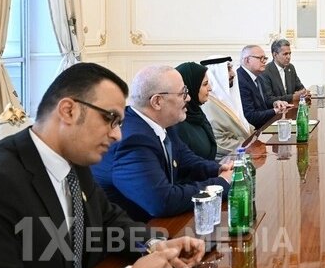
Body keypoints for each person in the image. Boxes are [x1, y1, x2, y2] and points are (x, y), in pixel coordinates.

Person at [0, 62, 206, 268]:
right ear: (69, 111)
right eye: (110, 119)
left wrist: (156, 244)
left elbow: (109, 220)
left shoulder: (75, 159)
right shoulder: (0, 181)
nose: (117, 135)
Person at [92, 65, 233, 222]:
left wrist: (218, 169)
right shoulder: (133, 141)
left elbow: (187, 160)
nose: (188, 98)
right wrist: (220, 184)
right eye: (183, 93)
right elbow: (162, 201)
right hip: (133, 231)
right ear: (157, 102)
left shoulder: (161, 122)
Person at [200, 56, 253, 161]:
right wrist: (249, 145)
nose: (233, 74)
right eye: (228, 69)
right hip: (226, 161)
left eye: (231, 68)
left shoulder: (226, 98)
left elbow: (242, 125)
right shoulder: (208, 104)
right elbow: (220, 143)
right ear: (216, 73)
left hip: (243, 153)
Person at [237, 45, 289, 129]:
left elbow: (264, 103)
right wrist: (275, 111)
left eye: (265, 58)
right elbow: (250, 116)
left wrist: (276, 103)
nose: (264, 61)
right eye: (260, 58)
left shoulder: (258, 77)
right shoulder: (240, 81)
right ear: (247, 60)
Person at [173, 62, 217, 161]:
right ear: (191, 87)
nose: (210, 88)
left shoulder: (197, 113)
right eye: (205, 84)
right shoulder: (178, 123)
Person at [261, 38, 308, 105]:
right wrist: (292, 97)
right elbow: (269, 99)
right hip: (277, 110)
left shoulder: (290, 67)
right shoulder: (265, 71)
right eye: (285, 54)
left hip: (292, 107)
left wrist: (304, 93)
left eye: (289, 53)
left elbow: (300, 88)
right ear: (275, 55)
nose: (288, 57)